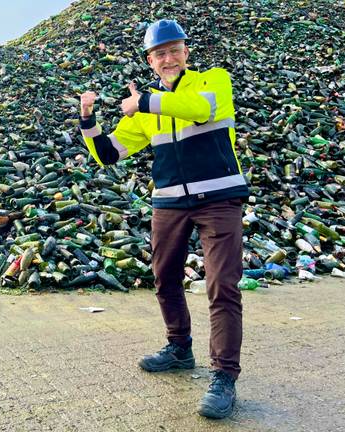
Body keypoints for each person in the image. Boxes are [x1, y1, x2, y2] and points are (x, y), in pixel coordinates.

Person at [78, 19, 249, 419]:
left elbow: (200, 110)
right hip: (169, 203)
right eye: (159, 53)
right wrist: (88, 118)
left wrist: (145, 103)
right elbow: (108, 153)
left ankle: (224, 376)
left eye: (174, 50)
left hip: (219, 199)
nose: (167, 58)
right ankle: (179, 349)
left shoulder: (213, 81)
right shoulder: (146, 110)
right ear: (151, 61)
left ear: (186, 52)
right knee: (164, 278)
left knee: (222, 286)